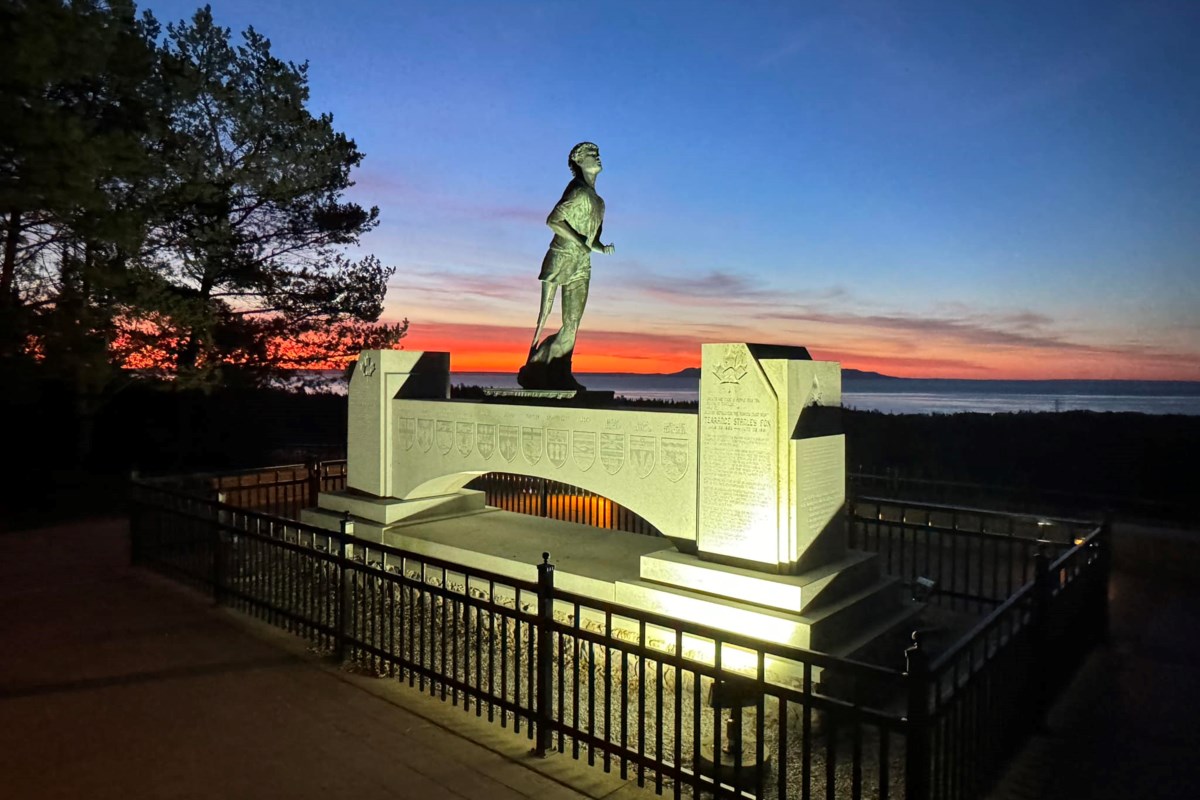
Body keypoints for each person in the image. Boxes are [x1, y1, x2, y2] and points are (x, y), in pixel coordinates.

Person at [518, 142, 614, 391]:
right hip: (561, 257)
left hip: (582, 264)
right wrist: (579, 243)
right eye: (592, 155)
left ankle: (558, 368)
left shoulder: (599, 202)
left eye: (598, 154)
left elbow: (591, 239)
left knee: (572, 322)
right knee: (544, 316)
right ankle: (538, 364)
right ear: (579, 160)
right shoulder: (578, 191)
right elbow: (553, 220)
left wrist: (600, 248)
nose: (598, 157)